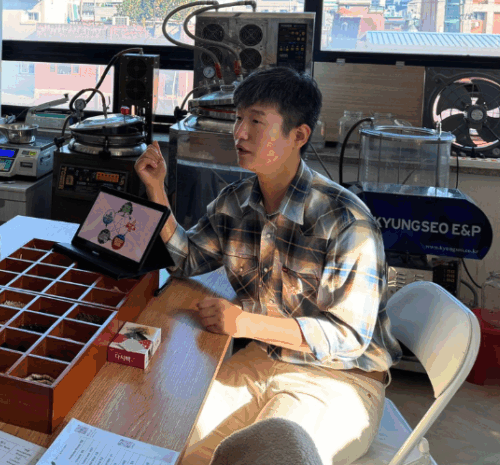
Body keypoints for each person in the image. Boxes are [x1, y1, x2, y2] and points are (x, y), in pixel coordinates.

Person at [134, 66, 401, 465]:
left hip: (337, 379)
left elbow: (347, 338)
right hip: (261, 359)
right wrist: (156, 190)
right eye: (238, 118)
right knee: (168, 444)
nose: (238, 133)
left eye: (256, 121)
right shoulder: (235, 200)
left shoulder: (346, 221)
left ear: (299, 136)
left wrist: (243, 323)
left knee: (274, 454)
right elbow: (187, 259)